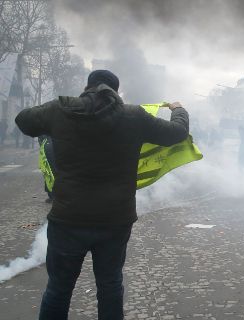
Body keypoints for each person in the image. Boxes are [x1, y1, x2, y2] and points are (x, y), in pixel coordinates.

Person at [14, 70, 189, 320]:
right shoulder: (134, 116)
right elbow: (177, 133)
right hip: (115, 220)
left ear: (87, 86)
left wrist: (52, 107)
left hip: (68, 219)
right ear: (116, 92)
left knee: (59, 289)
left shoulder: (60, 110)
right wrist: (178, 109)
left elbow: (23, 120)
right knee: (110, 286)